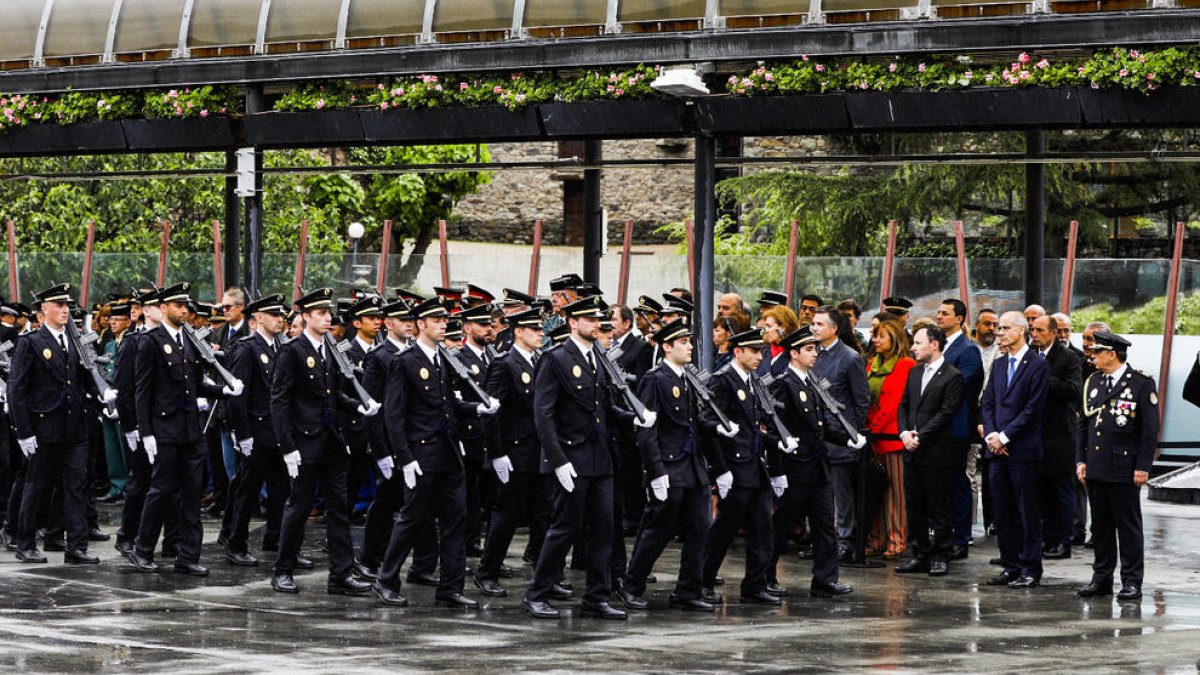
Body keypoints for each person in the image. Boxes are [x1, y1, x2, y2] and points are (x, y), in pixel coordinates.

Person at [523, 295, 650, 621]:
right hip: (571, 457)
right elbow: (544, 415)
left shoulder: (598, 357)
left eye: (600, 321)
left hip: (600, 459)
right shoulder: (556, 359)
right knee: (564, 528)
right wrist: (557, 460)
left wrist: (632, 419)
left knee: (605, 530)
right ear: (573, 322)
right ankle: (537, 592)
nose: (597, 325)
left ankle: (596, 596)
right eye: (591, 320)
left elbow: (603, 408)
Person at [372, 297, 492, 609]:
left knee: (456, 519)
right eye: (436, 321)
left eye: (444, 321)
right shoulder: (406, 360)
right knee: (411, 518)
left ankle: (451, 588)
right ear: (421, 324)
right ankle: (386, 580)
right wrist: (405, 458)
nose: (442, 325)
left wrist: (477, 408)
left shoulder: (441, 359)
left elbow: (448, 406)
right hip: (421, 454)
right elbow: (394, 415)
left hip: (449, 452)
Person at [269, 288, 378, 596]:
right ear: (305, 317)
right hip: (303, 443)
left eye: (328, 313)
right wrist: (287, 447)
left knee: (339, 510)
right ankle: (283, 570)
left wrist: (358, 406)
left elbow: (334, 395)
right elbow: (279, 402)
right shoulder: (292, 351)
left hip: (331, 442)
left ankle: (340, 574)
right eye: (320, 313)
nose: (327, 318)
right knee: (299, 507)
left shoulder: (329, 349)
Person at [129, 282, 240, 576]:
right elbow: (143, 390)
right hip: (164, 429)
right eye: (178, 306)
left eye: (186, 306)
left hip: (191, 429)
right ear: (163, 308)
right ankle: (142, 549)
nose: (184, 310)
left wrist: (223, 390)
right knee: (161, 491)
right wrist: (146, 432)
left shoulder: (189, 340)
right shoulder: (150, 341)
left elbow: (196, 384)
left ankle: (188, 554)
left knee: (192, 494)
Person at [617, 319, 723, 612]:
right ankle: (632, 584)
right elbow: (648, 428)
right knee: (658, 528)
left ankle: (688, 589)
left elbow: (691, 423)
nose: (690, 347)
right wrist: (655, 471)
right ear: (667, 347)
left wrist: (716, 428)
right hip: (669, 465)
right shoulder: (655, 379)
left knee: (698, 529)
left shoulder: (686, 377)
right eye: (683, 342)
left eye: (689, 341)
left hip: (692, 466)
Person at [8, 284, 115, 565]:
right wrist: (24, 431)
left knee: (76, 486)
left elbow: (85, 377)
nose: (65, 309)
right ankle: (26, 543)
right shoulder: (30, 343)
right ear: (44, 309)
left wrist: (103, 394)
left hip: (74, 427)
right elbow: (16, 390)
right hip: (44, 429)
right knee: (37, 486)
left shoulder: (75, 340)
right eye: (58, 305)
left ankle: (76, 546)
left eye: (67, 305)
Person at [701, 328, 792, 606]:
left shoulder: (752, 382)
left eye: (760, 351)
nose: (759, 356)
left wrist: (777, 446)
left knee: (762, 529)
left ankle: (755, 584)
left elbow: (753, 429)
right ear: (737, 351)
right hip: (734, 467)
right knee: (723, 530)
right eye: (753, 351)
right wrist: (720, 470)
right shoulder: (723, 381)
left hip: (754, 466)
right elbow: (709, 426)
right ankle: (702, 582)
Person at [769, 325, 861, 597]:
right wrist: (777, 470)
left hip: (817, 465)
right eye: (808, 349)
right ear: (793, 353)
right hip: (795, 467)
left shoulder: (811, 383)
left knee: (824, 524)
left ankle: (825, 579)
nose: (815, 354)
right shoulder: (783, 384)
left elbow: (819, 427)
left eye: (815, 349)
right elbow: (775, 429)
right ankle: (764, 577)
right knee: (781, 525)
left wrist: (848, 438)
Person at [1076, 332, 1159, 601]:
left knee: (1128, 527)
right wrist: (1081, 459)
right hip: (1097, 466)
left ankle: (1132, 581)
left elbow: (1149, 431)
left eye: (1098, 352)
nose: (1093, 356)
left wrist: (1143, 467)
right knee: (1100, 527)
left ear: (1112, 354)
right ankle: (1101, 578)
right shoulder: (1095, 381)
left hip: (1124, 466)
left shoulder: (1141, 384)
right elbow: (1084, 426)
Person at [474, 308, 550, 598]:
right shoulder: (504, 364)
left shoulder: (541, 361)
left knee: (545, 515)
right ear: (518, 331)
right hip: (515, 451)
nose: (540, 333)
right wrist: (497, 453)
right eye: (534, 329)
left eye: (540, 329)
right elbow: (491, 412)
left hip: (539, 452)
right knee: (506, 515)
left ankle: (546, 576)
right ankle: (487, 571)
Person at [222, 294, 291, 567]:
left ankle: (275, 538)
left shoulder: (280, 347)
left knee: (281, 490)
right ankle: (235, 543)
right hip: (256, 432)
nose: (280, 319)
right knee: (247, 491)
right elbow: (238, 396)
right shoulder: (246, 348)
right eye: (274, 315)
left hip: (276, 431)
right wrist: (242, 434)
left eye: (282, 315)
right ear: (257, 318)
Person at [981, 311, 1049, 589]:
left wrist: (1005, 437)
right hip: (996, 451)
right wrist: (993, 434)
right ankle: (1010, 565)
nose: (1000, 332)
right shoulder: (998, 365)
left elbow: (1032, 409)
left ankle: (1030, 568)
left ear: (1021, 331)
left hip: (1022, 451)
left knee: (1027, 512)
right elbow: (988, 402)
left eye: (1005, 328)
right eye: (999, 328)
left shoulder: (1037, 366)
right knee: (1002, 510)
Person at [894, 326, 965, 577]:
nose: (913, 348)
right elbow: (903, 404)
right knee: (915, 505)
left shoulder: (952, 376)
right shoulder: (914, 372)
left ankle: (942, 555)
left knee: (939, 505)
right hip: (911, 449)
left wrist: (920, 436)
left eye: (918, 343)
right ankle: (920, 553)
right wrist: (904, 433)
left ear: (934, 344)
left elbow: (946, 413)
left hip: (937, 450)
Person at [810, 306, 870, 560]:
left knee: (842, 494)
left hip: (841, 438)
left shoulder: (850, 358)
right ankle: (823, 541)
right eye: (813, 323)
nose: (814, 328)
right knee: (820, 495)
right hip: (817, 438)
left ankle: (844, 541)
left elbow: (861, 401)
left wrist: (851, 434)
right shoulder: (813, 355)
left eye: (819, 324)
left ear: (834, 329)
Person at [933, 299, 984, 560]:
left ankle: (961, 537)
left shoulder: (968, 351)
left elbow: (958, 387)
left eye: (945, 313)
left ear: (960, 318)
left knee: (957, 482)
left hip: (956, 426)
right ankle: (942, 534)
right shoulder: (937, 347)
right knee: (939, 484)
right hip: (935, 425)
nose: (938, 317)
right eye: (939, 312)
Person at [1029, 315, 1082, 560]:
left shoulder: (1068, 357)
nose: (1034, 334)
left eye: (1039, 330)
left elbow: (1073, 389)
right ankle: (1047, 538)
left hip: (1059, 434)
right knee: (1040, 491)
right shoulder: (1030, 354)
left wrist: (1044, 379)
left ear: (1053, 333)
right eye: (1032, 330)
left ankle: (1063, 540)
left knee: (1061, 490)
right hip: (1034, 434)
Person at [865, 317, 915, 558]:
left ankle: (896, 540)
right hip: (871, 436)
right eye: (875, 336)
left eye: (881, 336)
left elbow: (894, 403)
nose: (875, 340)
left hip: (892, 437)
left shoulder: (905, 364)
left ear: (894, 339)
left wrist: (872, 428)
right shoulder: (872, 363)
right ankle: (876, 539)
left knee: (896, 494)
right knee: (875, 491)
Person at [455, 302, 497, 558]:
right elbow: (456, 400)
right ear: (468, 327)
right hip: (470, 435)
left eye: (490, 324)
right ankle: (469, 543)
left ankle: (490, 548)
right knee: (469, 495)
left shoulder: (494, 356)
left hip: (492, 436)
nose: (489, 329)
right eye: (483, 325)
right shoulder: (459, 358)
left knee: (494, 497)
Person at [341, 295, 385, 522]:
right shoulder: (346, 352)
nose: (377, 321)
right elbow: (340, 392)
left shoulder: (386, 351)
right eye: (371, 318)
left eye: (379, 317)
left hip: (380, 427)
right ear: (357, 323)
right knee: (351, 482)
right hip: (355, 426)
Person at [758, 304, 798, 376]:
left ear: (782, 328)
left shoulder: (794, 355)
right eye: (766, 326)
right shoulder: (762, 352)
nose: (766, 330)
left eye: (769, 326)